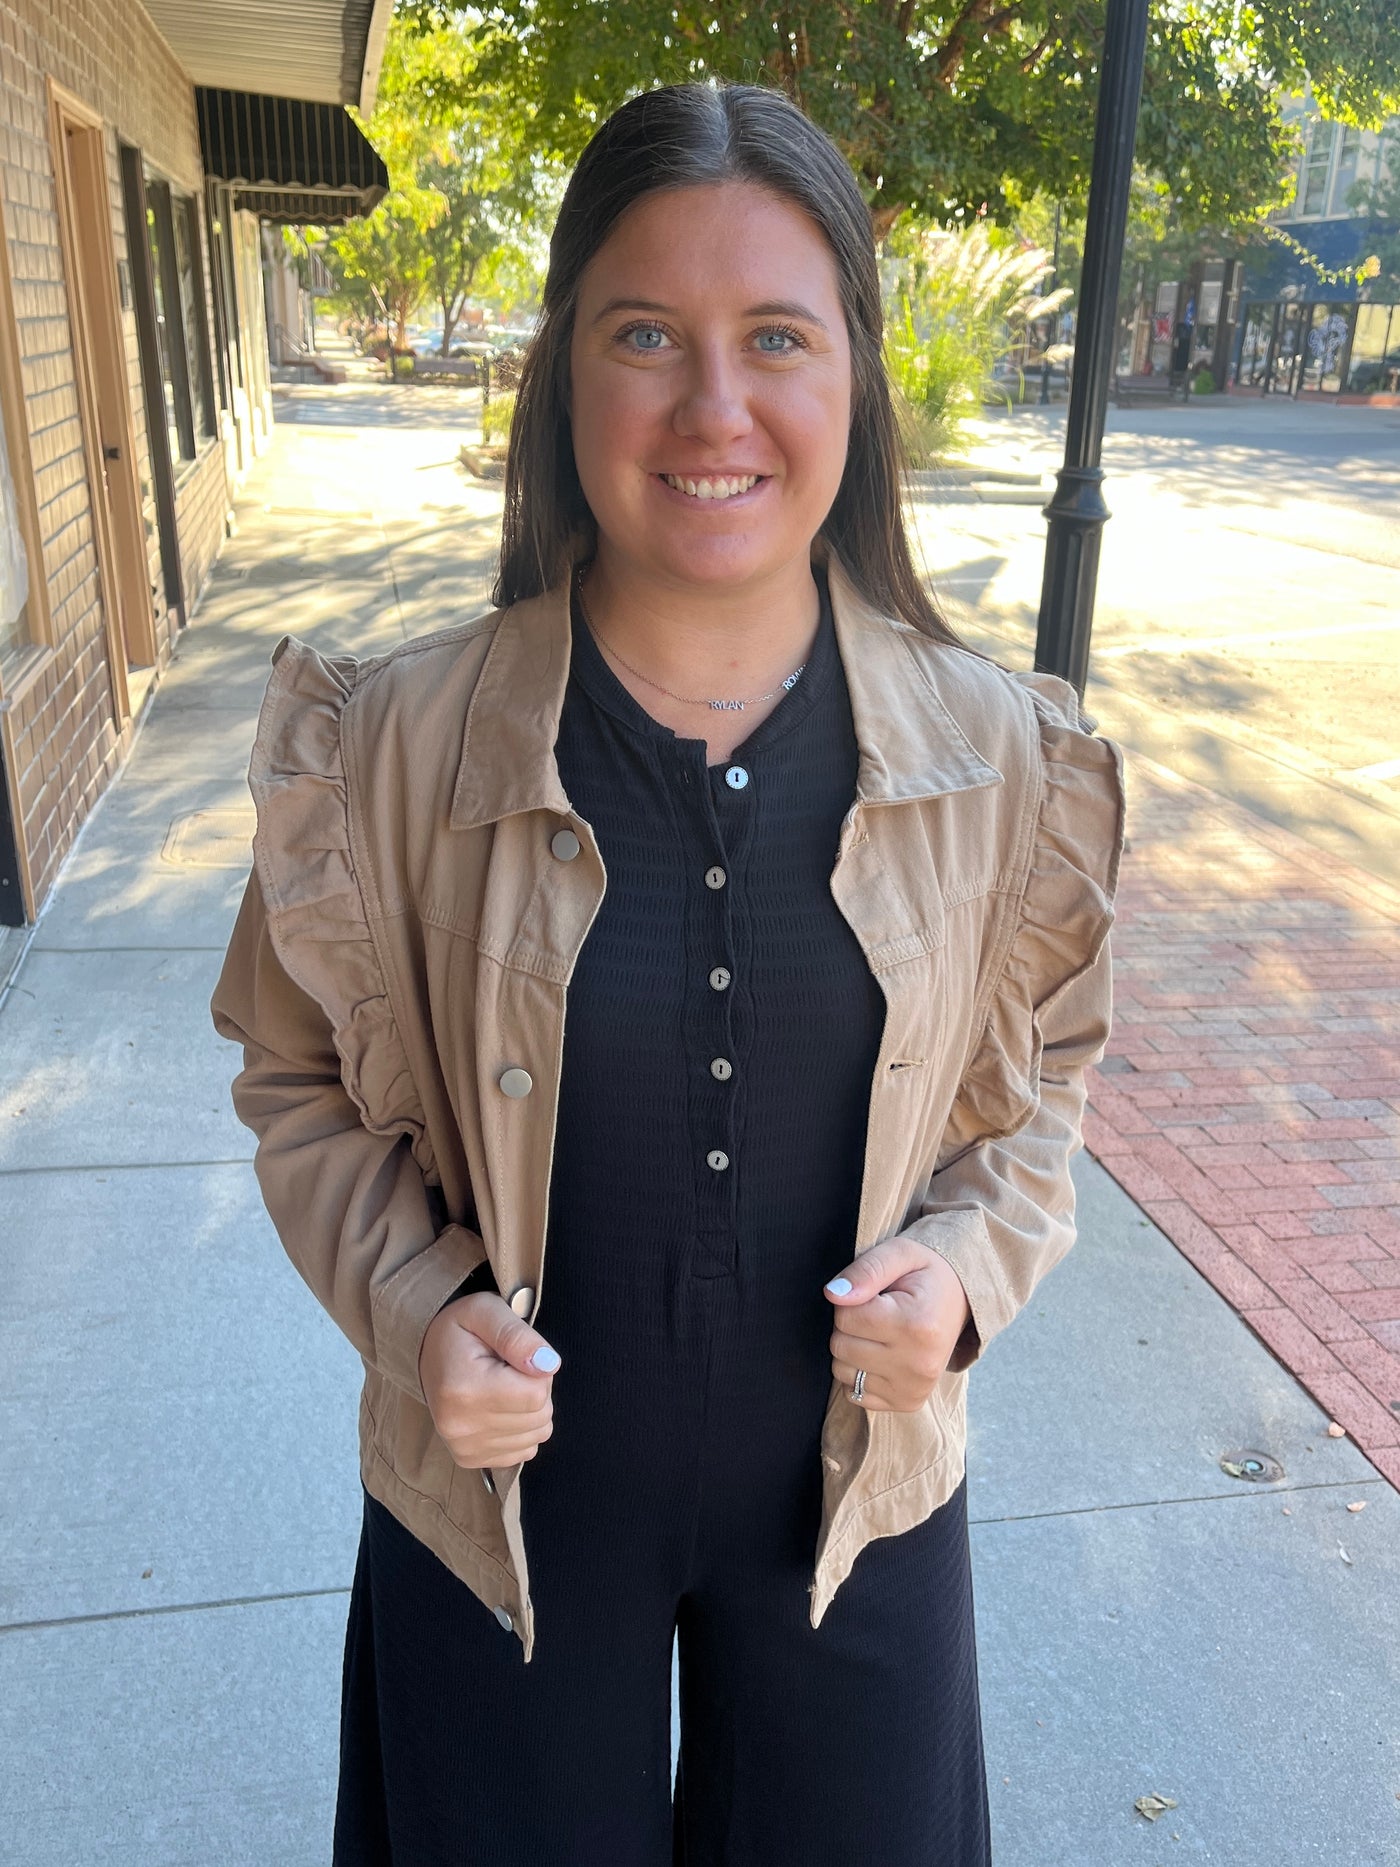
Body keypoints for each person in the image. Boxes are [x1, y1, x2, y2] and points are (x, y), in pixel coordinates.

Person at [211, 79, 1123, 1867]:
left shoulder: (1009, 758)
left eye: (776, 335)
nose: (717, 408)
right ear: (566, 372)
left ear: (853, 368)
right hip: (502, 1520)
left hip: (859, 1510)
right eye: (647, 333)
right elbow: (296, 1079)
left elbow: (1044, 1087)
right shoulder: (388, 749)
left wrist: (965, 1276)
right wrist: (414, 1316)